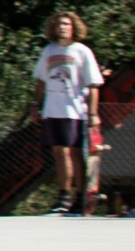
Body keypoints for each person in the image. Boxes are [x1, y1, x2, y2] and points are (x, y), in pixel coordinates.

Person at [31, 12, 104, 215]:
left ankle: (81, 195)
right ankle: (64, 195)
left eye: (66, 24)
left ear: (73, 27)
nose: (62, 27)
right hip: (52, 109)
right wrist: (35, 104)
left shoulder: (82, 52)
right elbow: (41, 80)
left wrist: (93, 113)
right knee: (58, 152)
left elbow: (94, 84)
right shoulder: (49, 51)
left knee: (73, 152)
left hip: (74, 109)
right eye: (59, 24)